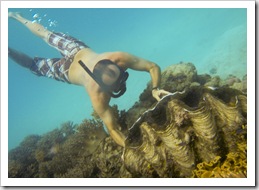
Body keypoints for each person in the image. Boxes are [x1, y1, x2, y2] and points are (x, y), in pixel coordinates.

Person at [8, 12, 171, 147]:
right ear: (102, 86)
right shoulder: (96, 93)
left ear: (117, 65)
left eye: (121, 77)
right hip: (66, 70)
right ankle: (10, 41)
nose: (121, 84)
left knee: (46, 33)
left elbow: (152, 66)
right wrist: (132, 148)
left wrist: (155, 88)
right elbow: (113, 129)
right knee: (33, 64)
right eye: (116, 85)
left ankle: (18, 18)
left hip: (76, 49)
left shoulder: (118, 57)